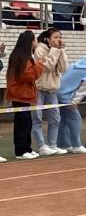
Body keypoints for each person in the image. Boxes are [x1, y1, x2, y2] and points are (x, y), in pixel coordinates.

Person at [6, 31, 43, 160]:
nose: (37, 41)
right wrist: (39, 64)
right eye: (35, 39)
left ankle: (27, 148)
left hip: (24, 94)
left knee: (27, 121)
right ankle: (20, 151)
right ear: (30, 41)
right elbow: (28, 76)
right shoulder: (21, 57)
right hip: (19, 94)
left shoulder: (25, 56)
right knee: (22, 122)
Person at [32, 28, 68, 156]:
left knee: (55, 118)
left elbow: (64, 68)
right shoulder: (39, 50)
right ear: (48, 39)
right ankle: (42, 146)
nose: (58, 40)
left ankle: (52, 145)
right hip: (39, 89)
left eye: (60, 37)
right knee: (37, 118)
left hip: (52, 90)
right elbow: (47, 67)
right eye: (55, 37)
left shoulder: (57, 50)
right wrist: (54, 50)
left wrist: (61, 51)